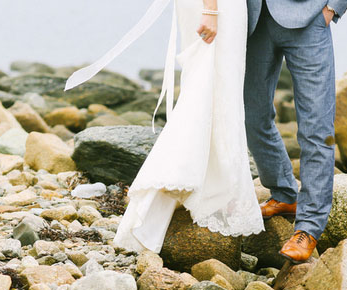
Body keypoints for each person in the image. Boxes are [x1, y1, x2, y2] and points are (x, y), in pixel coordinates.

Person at [65, 0, 264, 254]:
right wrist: (211, 9)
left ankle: (207, 188)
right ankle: (178, 186)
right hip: (217, 7)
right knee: (213, 92)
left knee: (211, 92)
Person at [245, 0, 347, 263]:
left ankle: (308, 227)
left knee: (317, 129)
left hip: (310, 19)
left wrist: (333, 8)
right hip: (254, 20)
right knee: (252, 118)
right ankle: (284, 194)